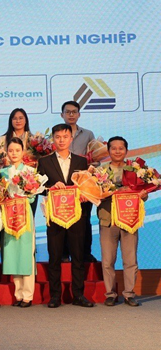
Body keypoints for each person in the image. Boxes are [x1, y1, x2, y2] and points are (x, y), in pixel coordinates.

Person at [37, 123, 92, 308]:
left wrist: (84, 194)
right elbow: (37, 188)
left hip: (76, 215)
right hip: (55, 215)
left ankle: (78, 295)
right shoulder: (44, 162)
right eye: (58, 137)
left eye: (65, 137)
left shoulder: (81, 161)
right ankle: (55, 296)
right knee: (55, 257)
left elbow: (87, 186)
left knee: (77, 256)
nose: (61, 140)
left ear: (71, 139)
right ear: (53, 139)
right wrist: (50, 188)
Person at [97, 137, 146, 307]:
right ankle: (110, 294)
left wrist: (143, 195)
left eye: (121, 148)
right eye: (114, 148)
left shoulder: (135, 170)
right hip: (107, 219)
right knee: (107, 260)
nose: (117, 151)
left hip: (129, 219)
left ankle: (129, 294)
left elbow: (143, 194)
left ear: (126, 151)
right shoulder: (100, 172)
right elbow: (94, 195)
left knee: (130, 259)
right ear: (108, 151)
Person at [0, 138, 37, 308]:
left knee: (26, 252)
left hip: (24, 215)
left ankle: (28, 295)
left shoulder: (30, 171)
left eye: (17, 150)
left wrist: (26, 194)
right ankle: (18, 294)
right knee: (12, 252)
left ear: (23, 152)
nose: (14, 154)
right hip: (8, 215)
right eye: (11, 150)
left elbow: (33, 197)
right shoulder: (2, 173)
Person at [61, 100, 97, 263]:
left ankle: (85, 253)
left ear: (79, 114)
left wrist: (91, 166)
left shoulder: (88, 134)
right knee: (62, 218)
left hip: (83, 185)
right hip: (63, 184)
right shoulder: (56, 135)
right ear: (62, 115)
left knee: (84, 219)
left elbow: (96, 157)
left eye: (74, 112)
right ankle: (64, 253)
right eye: (67, 112)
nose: (71, 114)